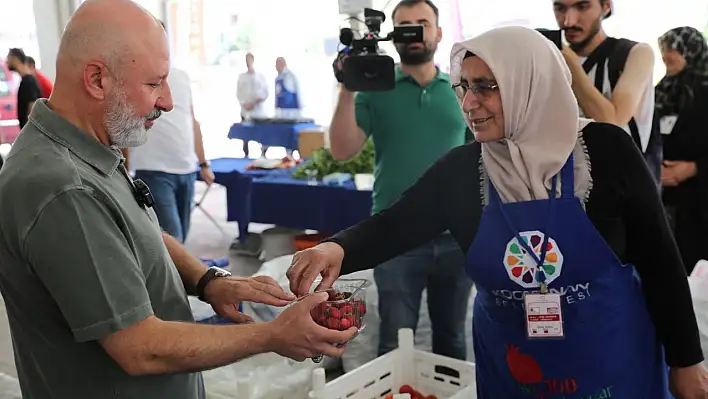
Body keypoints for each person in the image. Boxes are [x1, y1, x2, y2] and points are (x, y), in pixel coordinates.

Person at [288, 26, 708, 397]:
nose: (469, 103)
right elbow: (397, 224)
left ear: (530, 83)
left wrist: (686, 360)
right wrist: (337, 250)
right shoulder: (463, 169)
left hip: (613, 366)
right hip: (513, 372)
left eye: (487, 86)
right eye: (463, 87)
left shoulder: (606, 149)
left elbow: (661, 261)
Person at [0, 1, 356, 398]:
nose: (168, 101)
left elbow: (137, 231)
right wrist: (273, 334)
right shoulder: (62, 188)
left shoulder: (89, 149)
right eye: (154, 84)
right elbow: (139, 348)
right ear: (97, 79)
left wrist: (207, 281)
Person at [328, 0, 472, 361]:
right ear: (392, 35)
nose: (413, 32)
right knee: (394, 342)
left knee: (453, 339)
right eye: (403, 25)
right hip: (394, 237)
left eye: (422, 23)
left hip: (456, 236)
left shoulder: (462, 89)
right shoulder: (375, 89)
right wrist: (349, 86)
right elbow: (343, 150)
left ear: (439, 32)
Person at [553, 0, 661, 183]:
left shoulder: (635, 53)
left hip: (623, 192)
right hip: (566, 189)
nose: (568, 21)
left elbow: (612, 123)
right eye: (560, 8)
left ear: (606, 6)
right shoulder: (552, 60)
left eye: (582, 6)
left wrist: (571, 67)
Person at [127, 63, 214, 243]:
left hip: (186, 169)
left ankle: (180, 272)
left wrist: (204, 164)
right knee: (173, 239)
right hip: (154, 169)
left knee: (181, 237)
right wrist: (126, 169)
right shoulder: (134, 72)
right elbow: (128, 119)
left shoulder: (181, 76)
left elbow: (191, 121)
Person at [655, 26, 708, 273]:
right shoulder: (662, 89)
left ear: (692, 50)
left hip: (699, 199)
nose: (667, 55)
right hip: (665, 196)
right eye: (664, 49)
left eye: (674, 49)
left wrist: (695, 168)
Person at [237, 52, 269, 157]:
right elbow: (239, 93)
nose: (248, 63)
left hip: (258, 110)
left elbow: (265, 92)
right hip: (246, 110)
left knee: (262, 132)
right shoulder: (242, 77)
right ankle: (246, 154)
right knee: (245, 133)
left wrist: (256, 101)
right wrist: (244, 104)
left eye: (249, 60)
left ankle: (263, 153)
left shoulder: (260, 76)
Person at [5, 48, 42, 129]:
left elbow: (32, 108)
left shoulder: (28, 82)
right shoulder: (27, 81)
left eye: (8, 58)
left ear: (15, 59)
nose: (6, 62)